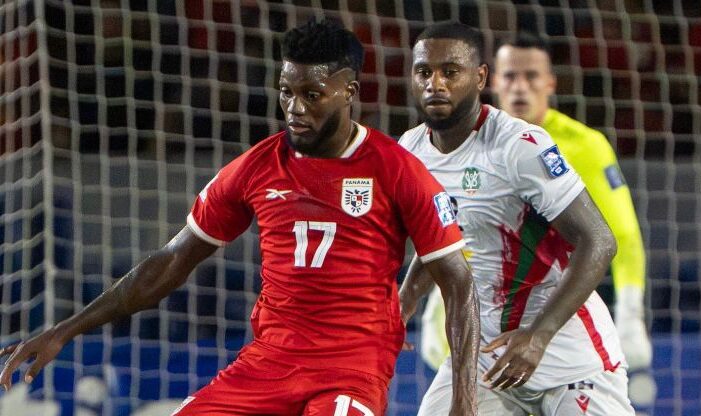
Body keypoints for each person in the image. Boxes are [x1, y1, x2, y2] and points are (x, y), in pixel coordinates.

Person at [0, 19, 480, 416]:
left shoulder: (397, 170)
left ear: (348, 91)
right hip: (268, 364)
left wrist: (464, 403)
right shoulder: (256, 167)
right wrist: (65, 329)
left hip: (350, 369)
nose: (295, 108)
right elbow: (171, 262)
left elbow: (458, 284)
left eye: (312, 95)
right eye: (286, 92)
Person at [398, 22, 634, 415]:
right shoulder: (411, 151)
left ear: (480, 78)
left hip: (569, 359)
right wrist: (403, 304)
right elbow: (439, 240)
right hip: (487, 358)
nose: (435, 84)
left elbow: (600, 240)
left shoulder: (519, 146)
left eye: (450, 72)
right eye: (424, 72)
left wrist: (539, 336)